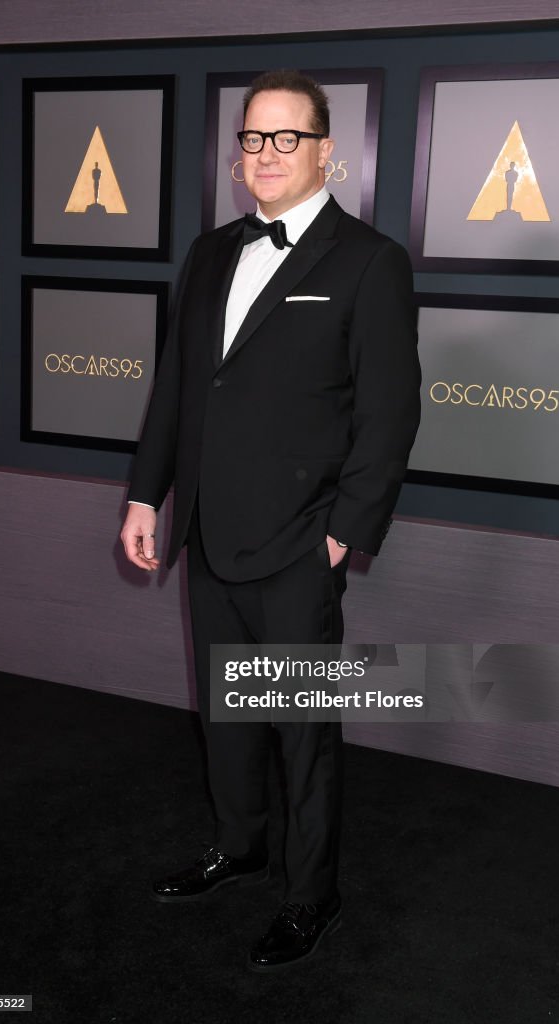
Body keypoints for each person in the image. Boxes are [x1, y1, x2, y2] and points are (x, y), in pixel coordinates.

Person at [120, 69, 421, 972]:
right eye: (253, 138)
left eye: (287, 138)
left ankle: (311, 894)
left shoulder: (369, 261)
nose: (266, 154)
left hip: (299, 540)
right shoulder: (211, 251)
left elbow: (390, 414)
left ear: (326, 150)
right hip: (209, 530)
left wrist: (343, 533)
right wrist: (146, 494)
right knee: (226, 712)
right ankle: (239, 845)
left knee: (301, 729)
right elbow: (179, 388)